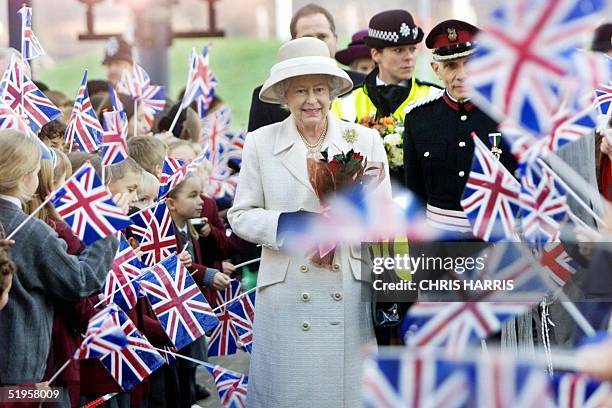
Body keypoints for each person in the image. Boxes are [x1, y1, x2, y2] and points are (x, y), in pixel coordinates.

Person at [228, 37, 390, 407]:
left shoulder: (363, 140)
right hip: (288, 292)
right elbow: (240, 216)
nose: (311, 99)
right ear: (284, 96)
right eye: (300, 90)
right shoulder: (260, 143)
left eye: (319, 89)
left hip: (347, 289)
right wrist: (287, 224)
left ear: (333, 92)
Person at [0, 129, 118, 386]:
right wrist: (106, 234)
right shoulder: (33, 232)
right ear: (25, 176)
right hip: (17, 375)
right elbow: (80, 282)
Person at [403, 19, 515, 236]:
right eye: (451, 66)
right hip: (440, 241)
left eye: (469, 64)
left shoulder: (506, 114)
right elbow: (414, 194)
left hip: (495, 236)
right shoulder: (418, 119)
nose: (461, 75)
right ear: (436, 69)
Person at [332, 9, 442, 184]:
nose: (409, 58)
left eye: (412, 49)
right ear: (376, 54)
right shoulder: (345, 103)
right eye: (398, 50)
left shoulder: (435, 98)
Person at [247, 3, 366, 132]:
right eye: (307, 37)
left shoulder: (364, 86)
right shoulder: (267, 100)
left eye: (322, 36)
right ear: (293, 43)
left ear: (335, 40)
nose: (316, 43)